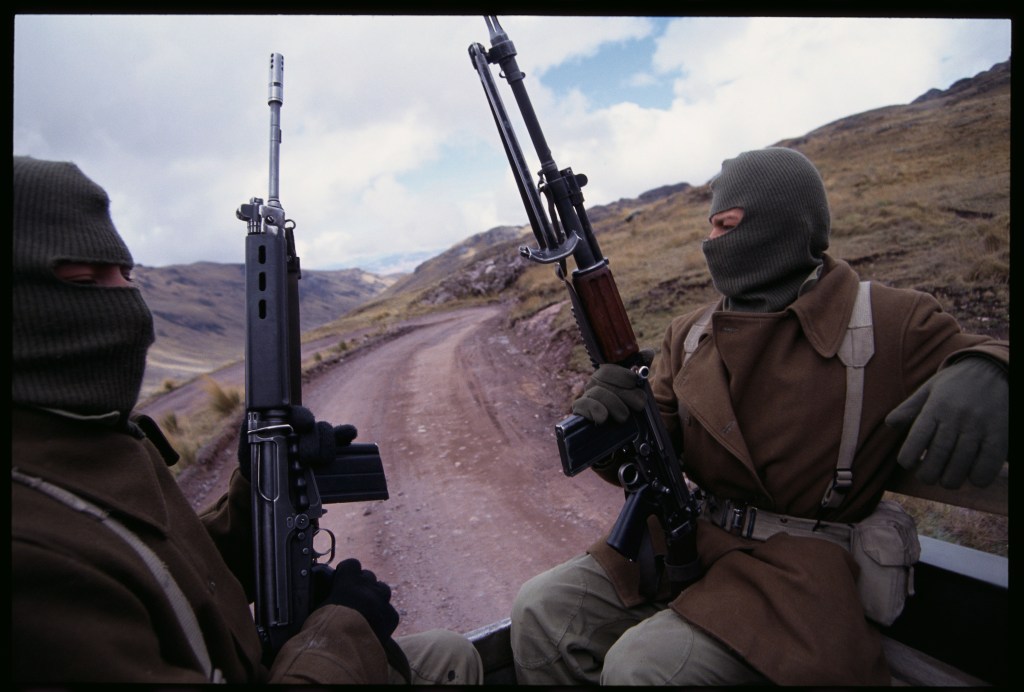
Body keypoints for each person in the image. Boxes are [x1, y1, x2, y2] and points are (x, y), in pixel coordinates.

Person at [509, 147, 1008, 686]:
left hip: (801, 572)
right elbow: (660, 451)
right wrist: (616, 424)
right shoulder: (690, 333)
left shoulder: (887, 320)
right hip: (694, 538)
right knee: (540, 611)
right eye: (712, 226)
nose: (712, 242)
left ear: (785, 226)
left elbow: (985, 351)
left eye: (727, 225)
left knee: (644, 667)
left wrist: (990, 370)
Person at [11, 155, 484, 685]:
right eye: (84, 279)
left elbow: (172, 576)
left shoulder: (90, 438)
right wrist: (341, 635)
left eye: (127, 273)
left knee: (448, 654)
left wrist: (260, 491)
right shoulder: (28, 554)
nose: (128, 298)